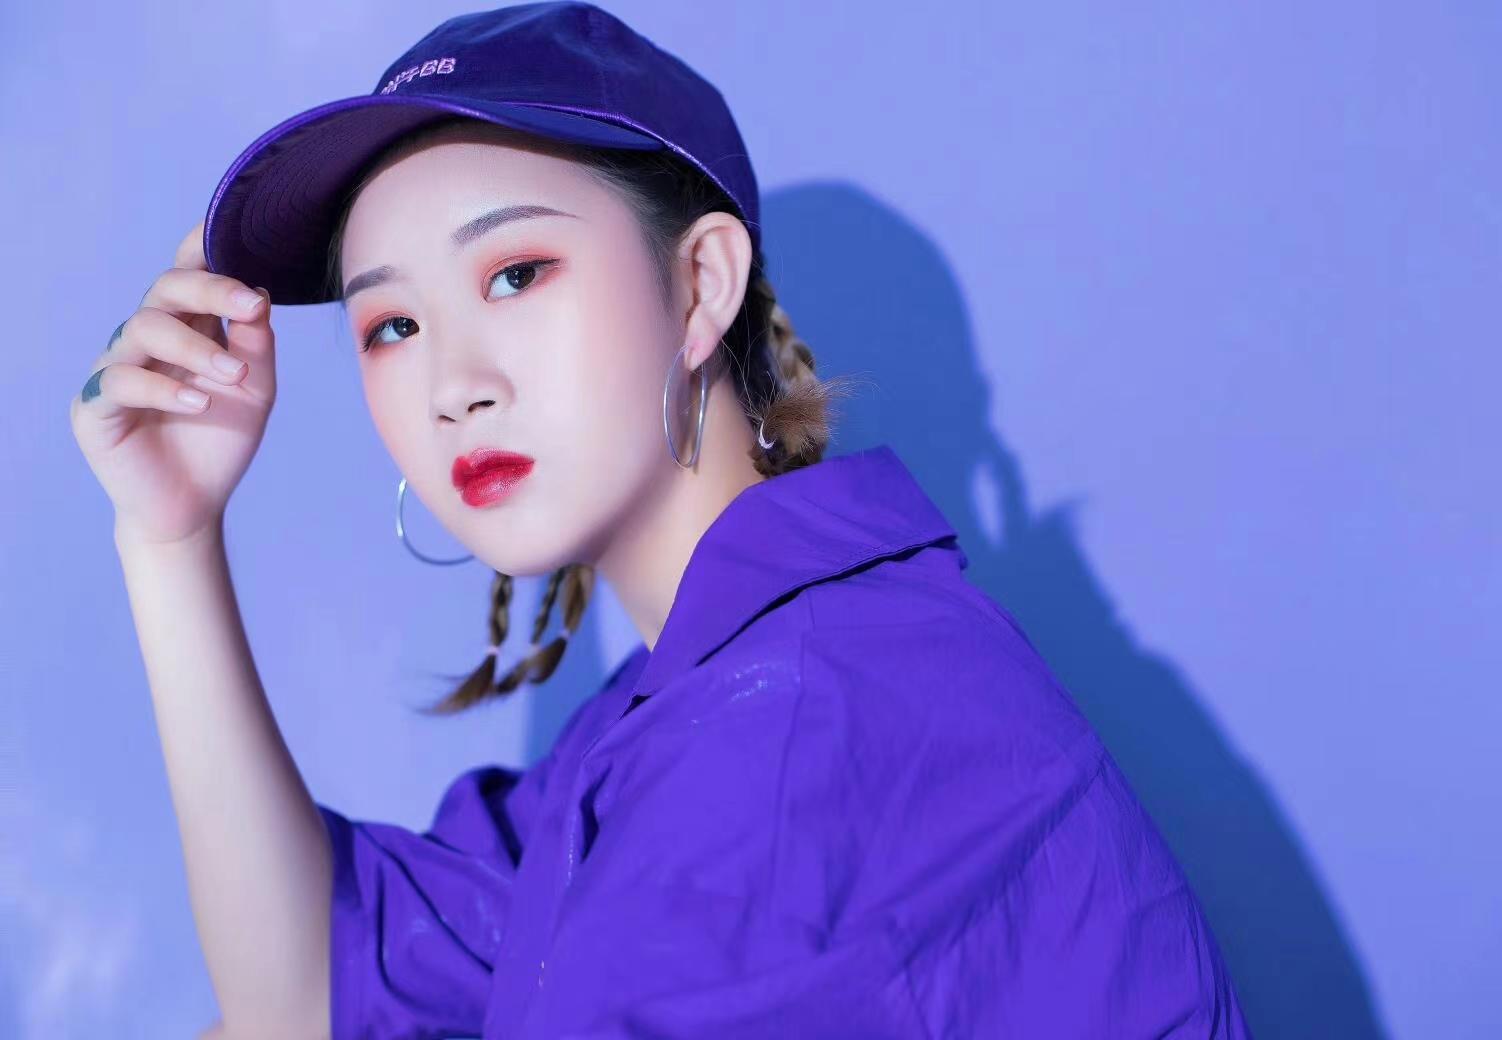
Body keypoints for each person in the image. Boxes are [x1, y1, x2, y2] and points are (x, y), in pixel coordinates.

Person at [69, 3, 1251, 1037]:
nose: (452, 384)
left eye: (515, 273)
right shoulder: (696, 704)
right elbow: (306, 998)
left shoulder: (799, 732)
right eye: (394, 326)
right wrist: (170, 538)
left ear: (700, 284)